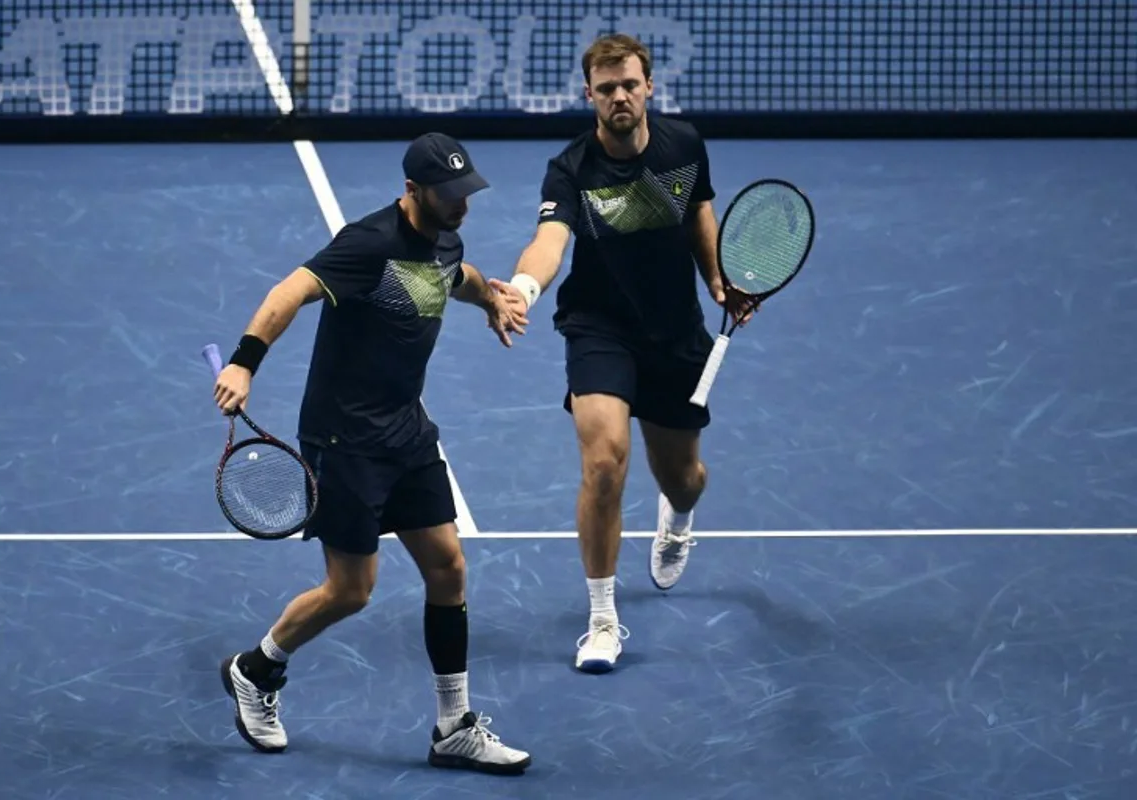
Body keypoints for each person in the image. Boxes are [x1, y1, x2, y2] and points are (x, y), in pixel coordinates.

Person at [211, 132, 532, 774]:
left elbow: (455, 274)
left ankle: (453, 728)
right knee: (353, 590)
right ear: (414, 191)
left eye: (467, 191)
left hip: (406, 432)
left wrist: (490, 299)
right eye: (449, 194)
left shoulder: (447, 234)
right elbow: (288, 292)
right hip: (346, 440)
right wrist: (245, 365)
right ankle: (256, 668)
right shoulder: (368, 244)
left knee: (448, 567)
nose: (462, 204)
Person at [490, 34, 756, 674]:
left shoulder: (683, 145)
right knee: (605, 463)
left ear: (648, 88)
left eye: (629, 85)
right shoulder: (572, 169)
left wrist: (719, 278)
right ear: (589, 96)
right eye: (606, 88)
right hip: (599, 325)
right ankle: (603, 619)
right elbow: (548, 241)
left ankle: (680, 512)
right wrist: (523, 288)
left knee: (683, 477)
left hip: (674, 332)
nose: (619, 97)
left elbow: (699, 214)